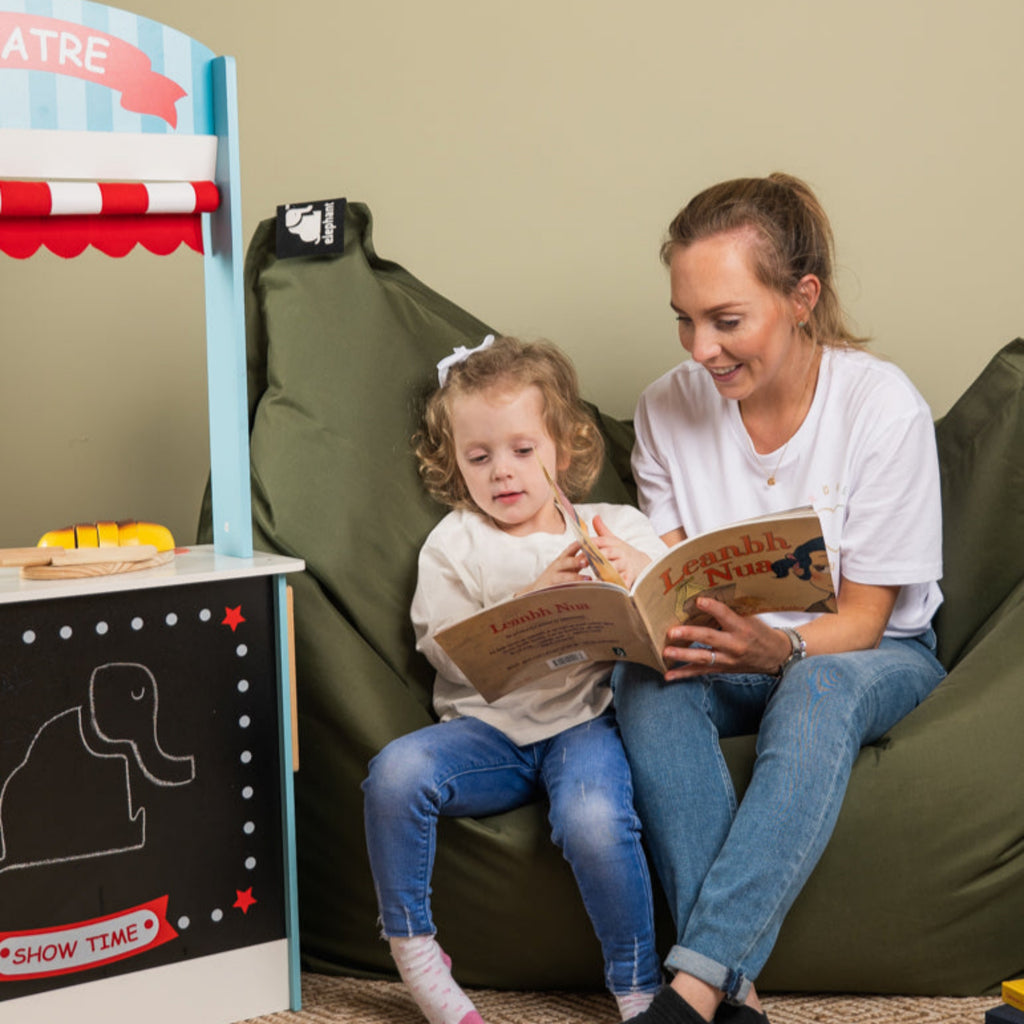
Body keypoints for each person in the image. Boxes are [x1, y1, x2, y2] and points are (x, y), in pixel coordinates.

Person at [613, 173, 947, 1024]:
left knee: (817, 684)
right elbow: (674, 583)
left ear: (802, 298)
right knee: (647, 682)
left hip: (871, 656)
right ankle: (738, 995)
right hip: (734, 650)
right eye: (685, 319)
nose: (700, 348)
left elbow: (869, 619)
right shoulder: (665, 408)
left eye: (727, 321)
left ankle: (690, 987)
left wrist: (785, 647)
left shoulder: (883, 411)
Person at [362, 335, 666, 1024]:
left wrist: (628, 570)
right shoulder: (455, 543)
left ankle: (638, 988)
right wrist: (530, 601)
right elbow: (444, 649)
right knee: (394, 773)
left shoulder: (612, 524)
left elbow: (663, 612)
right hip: (486, 736)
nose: (503, 472)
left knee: (593, 820)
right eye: (479, 456)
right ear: (453, 465)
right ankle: (414, 950)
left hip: (584, 726)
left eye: (523, 451)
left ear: (562, 445)